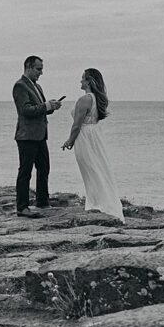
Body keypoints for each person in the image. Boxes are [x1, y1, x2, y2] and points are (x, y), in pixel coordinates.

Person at [60, 67, 124, 222]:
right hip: (94, 135)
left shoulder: (85, 99)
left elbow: (77, 125)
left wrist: (69, 140)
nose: (80, 81)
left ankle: (99, 203)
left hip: (85, 137)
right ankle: (97, 201)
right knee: (97, 168)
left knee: (91, 170)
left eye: (83, 78)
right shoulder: (95, 98)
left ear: (89, 81)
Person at [12, 55, 63, 216]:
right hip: (27, 136)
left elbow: (39, 109)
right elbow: (26, 110)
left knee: (44, 168)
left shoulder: (37, 86)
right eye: (38, 69)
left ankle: (42, 202)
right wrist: (45, 105)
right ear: (28, 67)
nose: (41, 72)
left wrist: (51, 107)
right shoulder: (20, 86)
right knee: (25, 171)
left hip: (40, 135)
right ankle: (22, 207)